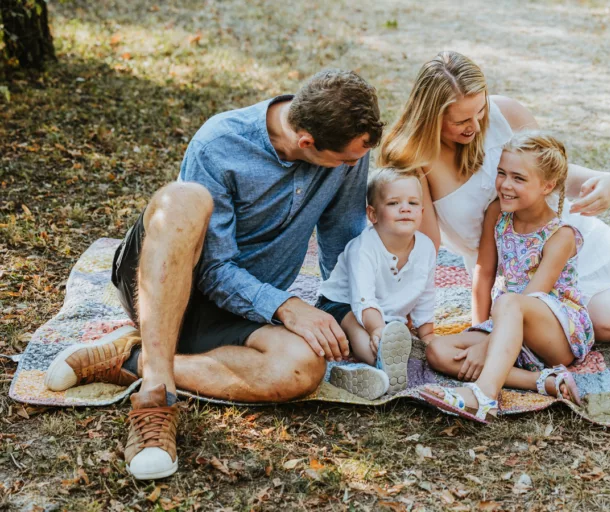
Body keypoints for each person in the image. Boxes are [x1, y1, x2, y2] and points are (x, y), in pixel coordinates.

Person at [43, 70, 384, 480]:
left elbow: (344, 239)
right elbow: (215, 271)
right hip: (165, 281)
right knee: (185, 198)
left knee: (304, 367)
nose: (355, 165)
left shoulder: (349, 151)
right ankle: (156, 396)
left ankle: (130, 359)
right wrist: (287, 306)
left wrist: (357, 312)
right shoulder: (220, 142)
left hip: (240, 308)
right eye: (347, 159)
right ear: (306, 142)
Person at [379, 51, 610, 343]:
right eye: (461, 120)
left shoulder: (508, 114)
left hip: (564, 237)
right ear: (432, 116)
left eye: (480, 110)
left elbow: (550, 176)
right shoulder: (417, 162)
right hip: (512, 271)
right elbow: (424, 246)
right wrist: (406, 306)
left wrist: (606, 180)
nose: (475, 126)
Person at [422, 133, 593, 423]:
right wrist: (480, 331)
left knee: (509, 301)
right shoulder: (497, 214)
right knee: (438, 350)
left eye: (519, 178)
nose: (506, 185)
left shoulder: (560, 235)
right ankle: (543, 382)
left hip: (555, 333)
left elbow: (531, 298)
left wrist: (483, 347)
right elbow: (484, 273)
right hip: (506, 322)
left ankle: (483, 396)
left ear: (547, 186)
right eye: (502, 173)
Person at [317, 169, 437, 400]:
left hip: (386, 316)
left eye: (413, 202)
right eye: (393, 203)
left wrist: (426, 332)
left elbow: (426, 293)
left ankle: (377, 374)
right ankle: (378, 363)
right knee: (356, 325)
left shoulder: (426, 248)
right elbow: (363, 299)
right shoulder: (363, 248)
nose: (405, 208)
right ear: (372, 214)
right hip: (340, 306)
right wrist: (377, 330)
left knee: (413, 347)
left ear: (421, 212)